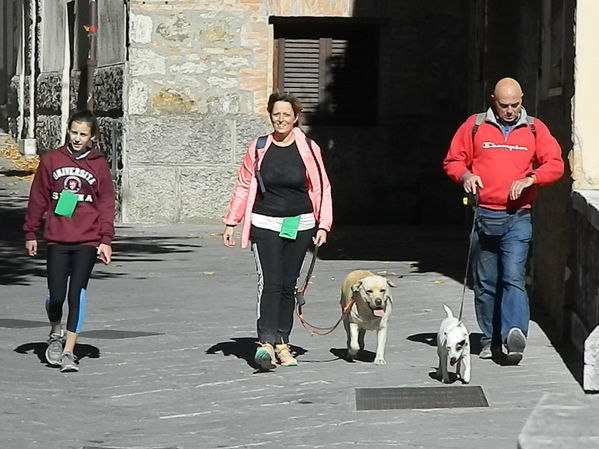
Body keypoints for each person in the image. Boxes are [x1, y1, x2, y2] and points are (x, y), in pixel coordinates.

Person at [443, 77, 564, 365]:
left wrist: (530, 179)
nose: (510, 110)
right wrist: (465, 176)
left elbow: (555, 163)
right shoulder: (474, 126)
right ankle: (488, 338)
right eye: (504, 105)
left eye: (515, 104)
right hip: (484, 215)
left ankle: (513, 334)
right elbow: (453, 161)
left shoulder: (535, 128)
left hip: (518, 217)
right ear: (492, 101)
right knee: (485, 284)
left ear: (522, 99)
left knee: (513, 278)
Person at [222, 92, 333, 370]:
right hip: (265, 222)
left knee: (288, 284)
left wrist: (323, 224)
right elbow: (244, 184)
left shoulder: (308, 147)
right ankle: (265, 344)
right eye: (276, 114)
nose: (281, 119)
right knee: (270, 283)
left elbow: (322, 186)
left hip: (301, 223)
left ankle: (283, 342)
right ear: (270, 115)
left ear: (296, 117)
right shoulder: (258, 147)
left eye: (287, 114)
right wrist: (231, 221)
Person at [24, 109, 115, 373]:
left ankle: (68, 352)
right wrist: (31, 232)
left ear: (92, 137)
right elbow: (38, 197)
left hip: (88, 239)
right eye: (73, 132)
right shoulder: (52, 160)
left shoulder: (99, 164)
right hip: (57, 239)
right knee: (56, 296)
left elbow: (107, 203)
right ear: (68, 131)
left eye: (83, 134)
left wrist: (106, 239)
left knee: (77, 294)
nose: (77, 138)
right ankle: (55, 331)